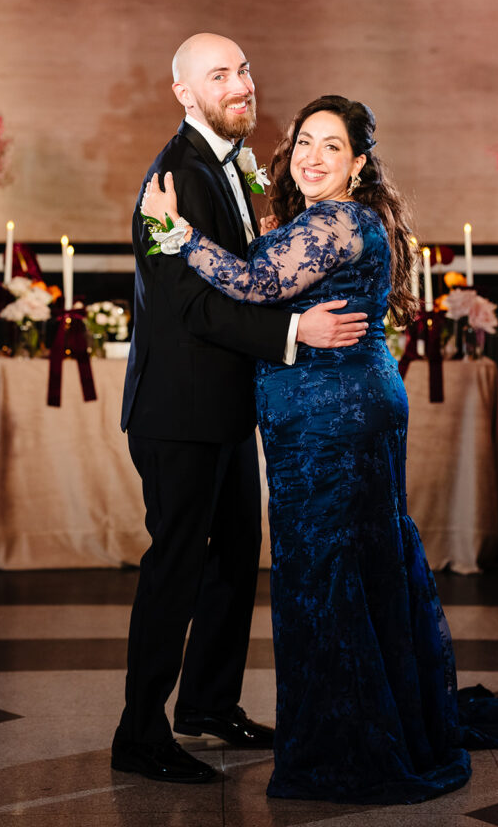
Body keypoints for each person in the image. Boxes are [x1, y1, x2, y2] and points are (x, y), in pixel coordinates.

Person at [141, 94, 498, 804]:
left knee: (324, 572)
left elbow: (255, 284)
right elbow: (274, 279)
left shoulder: (339, 219)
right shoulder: (328, 221)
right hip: (339, 406)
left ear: (357, 162)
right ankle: (372, 713)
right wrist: (264, 235)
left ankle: (347, 740)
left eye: (331, 147)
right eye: (304, 143)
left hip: (331, 416)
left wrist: (177, 234)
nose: (313, 157)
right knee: (348, 561)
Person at [113, 38, 370, 784]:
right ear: (183, 94)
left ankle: (207, 706)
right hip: (178, 411)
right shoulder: (175, 178)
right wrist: (297, 331)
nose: (240, 85)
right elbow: (190, 305)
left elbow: (246, 272)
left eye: (244, 69)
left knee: (231, 559)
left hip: (224, 408)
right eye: (218, 75)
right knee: (176, 570)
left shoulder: (227, 167)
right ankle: (139, 732)